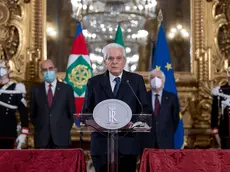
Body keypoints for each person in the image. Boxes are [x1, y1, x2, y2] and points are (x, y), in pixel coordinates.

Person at [82, 43, 150, 172]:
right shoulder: (94, 82)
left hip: (127, 146)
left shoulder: (136, 81)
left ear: (124, 61)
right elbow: (86, 113)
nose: (114, 62)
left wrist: (131, 124)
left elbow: (145, 110)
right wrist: (99, 124)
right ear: (104, 62)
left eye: (118, 58)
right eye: (110, 58)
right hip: (101, 146)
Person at [30, 59, 75, 149]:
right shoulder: (36, 90)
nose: (48, 72)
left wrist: (62, 128)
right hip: (42, 140)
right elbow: (33, 115)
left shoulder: (66, 89)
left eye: (50, 68)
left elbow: (71, 114)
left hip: (61, 139)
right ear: (41, 72)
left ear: (55, 70)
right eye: (44, 70)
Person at [140, 69, 179, 151]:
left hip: (166, 142)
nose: (155, 80)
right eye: (152, 78)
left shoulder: (171, 98)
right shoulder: (143, 97)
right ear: (149, 81)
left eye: (158, 77)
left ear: (163, 80)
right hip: (148, 143)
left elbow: (175, 120)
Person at [0, 59, 29, 149]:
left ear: (9, 70)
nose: (1, 69)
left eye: (3, 67)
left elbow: (23, 113)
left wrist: (23, 134)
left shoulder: (17, 87)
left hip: (9, 132)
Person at [211, 68, 230, 149]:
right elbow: (215, 111)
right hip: (226, 131)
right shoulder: (220, 91)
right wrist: (214, 127)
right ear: (228, 73)